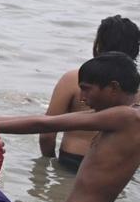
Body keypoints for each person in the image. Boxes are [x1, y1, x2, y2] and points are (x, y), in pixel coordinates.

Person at [0, 53, 140, 202]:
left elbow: (45, 124)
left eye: (86, 89)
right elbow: (39, 119)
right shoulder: (122, 116)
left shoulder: (127, 116)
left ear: (113, 88)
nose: (82, 97)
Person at [39, 16, 140, 172]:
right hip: (120, 165)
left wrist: (49, 165)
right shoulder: (134, 90)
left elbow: (46, 135)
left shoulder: (73, 79)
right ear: (135, 50)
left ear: (99, 45)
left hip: (72, 160)